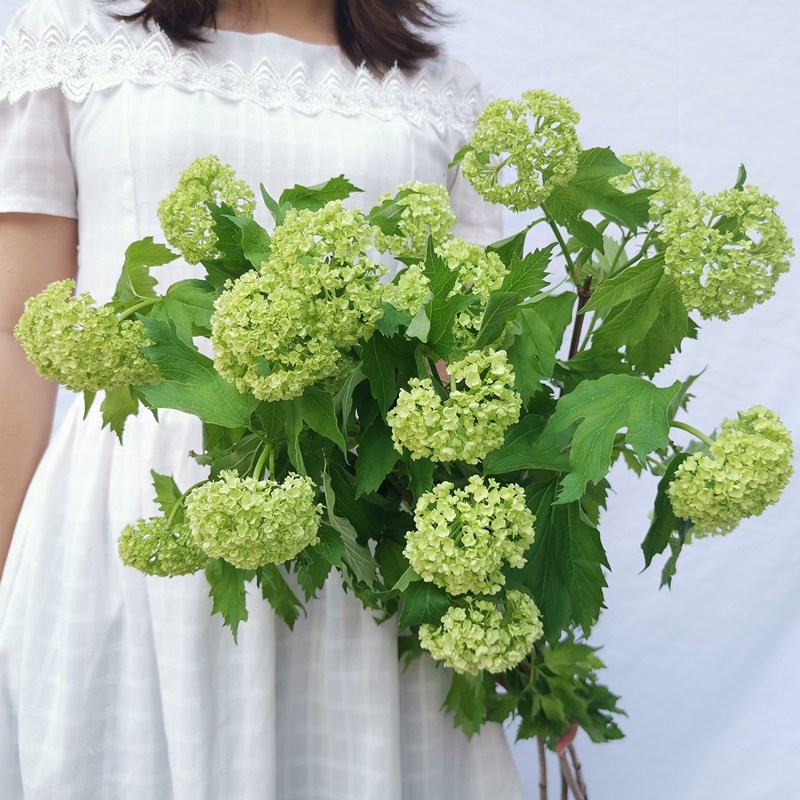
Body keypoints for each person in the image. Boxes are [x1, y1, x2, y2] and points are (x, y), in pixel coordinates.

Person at [0, 0, 523, 797]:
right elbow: (15, 334)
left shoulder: (436, 89)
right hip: (133, 533)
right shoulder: (74, 38)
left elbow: (470, 349)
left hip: (361, 547)